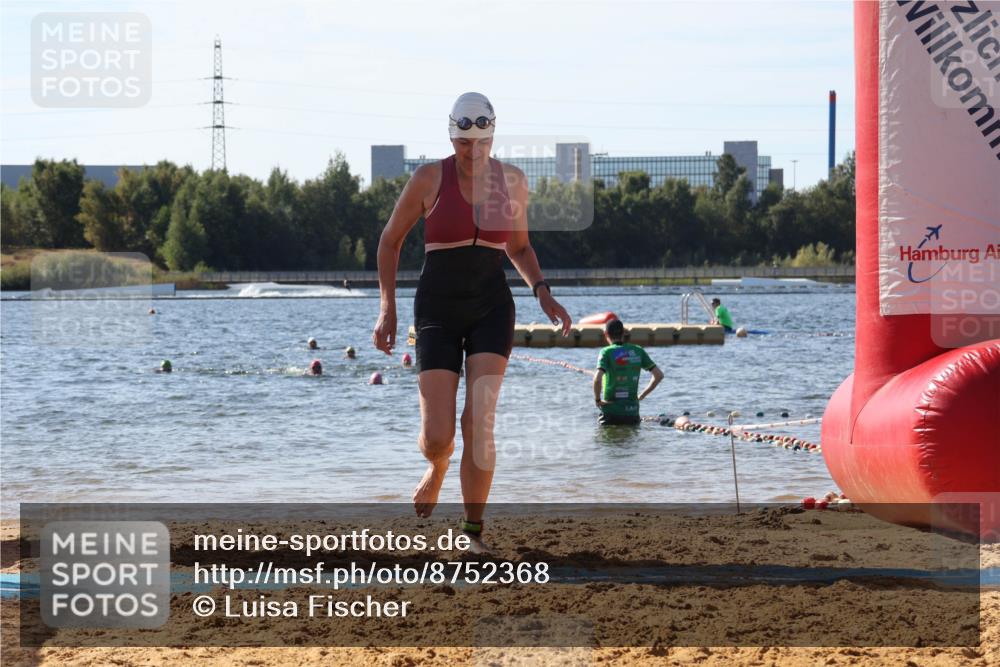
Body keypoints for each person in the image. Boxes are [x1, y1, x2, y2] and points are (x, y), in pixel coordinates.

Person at [372, 92, 572, 545]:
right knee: (437, 436)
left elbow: (519, 247)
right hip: (437, 311)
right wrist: (387, 308)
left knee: (478, 424)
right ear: (451, 137)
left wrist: (543, 292)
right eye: (464, 142)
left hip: (491, 308)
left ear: (493, 138)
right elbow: (389, 242)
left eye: (482, 142)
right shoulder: (428, 179)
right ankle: (438, 465)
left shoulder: (513, 182)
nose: (473, 151)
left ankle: (473, 533)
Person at [593, 319, 663, 425]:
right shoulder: (638, 350)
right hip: (632, 414)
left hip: (610, 414)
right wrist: (642, 395)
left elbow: (597, 380)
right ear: (623, 333)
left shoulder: (606, 352)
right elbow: (659, 375)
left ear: (606, 334)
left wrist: (598, 400)